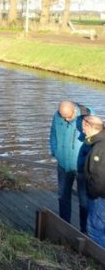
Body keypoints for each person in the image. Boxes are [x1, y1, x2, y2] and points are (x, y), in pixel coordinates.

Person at [49, 100, 92, 232]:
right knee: (62, 196)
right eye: (63, 116)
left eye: (68, 116)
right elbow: (53, 133)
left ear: (74, 110)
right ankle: (64, 226)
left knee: (84, 201)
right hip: (63, 164)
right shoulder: (58, 116)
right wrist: (55, 151)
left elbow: (96, 139)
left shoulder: (88, 116)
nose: (66, 119)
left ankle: (84, 230)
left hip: (82, 167)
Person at [83, 115, 105, 247]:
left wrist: (92, 194)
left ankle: (98, 261)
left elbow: (99, 177)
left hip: (100, 197)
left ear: (88, 126)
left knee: (95, 231)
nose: (83, 130)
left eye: (83, 127)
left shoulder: (99, 148)